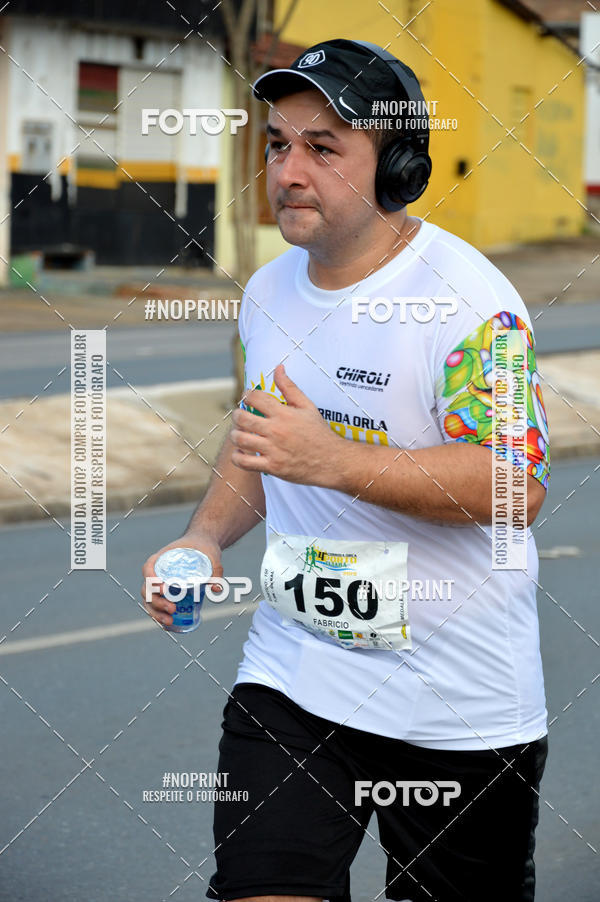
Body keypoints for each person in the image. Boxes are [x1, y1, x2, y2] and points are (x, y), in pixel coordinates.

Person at [142, 38, 550, 902]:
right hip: (295, 678)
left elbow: (518, 487)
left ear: (397, 166)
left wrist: (337, 461)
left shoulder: (474, 305)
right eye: (278, 144)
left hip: (458, 707)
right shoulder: (268, 291)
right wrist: (203, 537)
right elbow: (262, 442)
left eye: (323, 148)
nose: (288, 170)